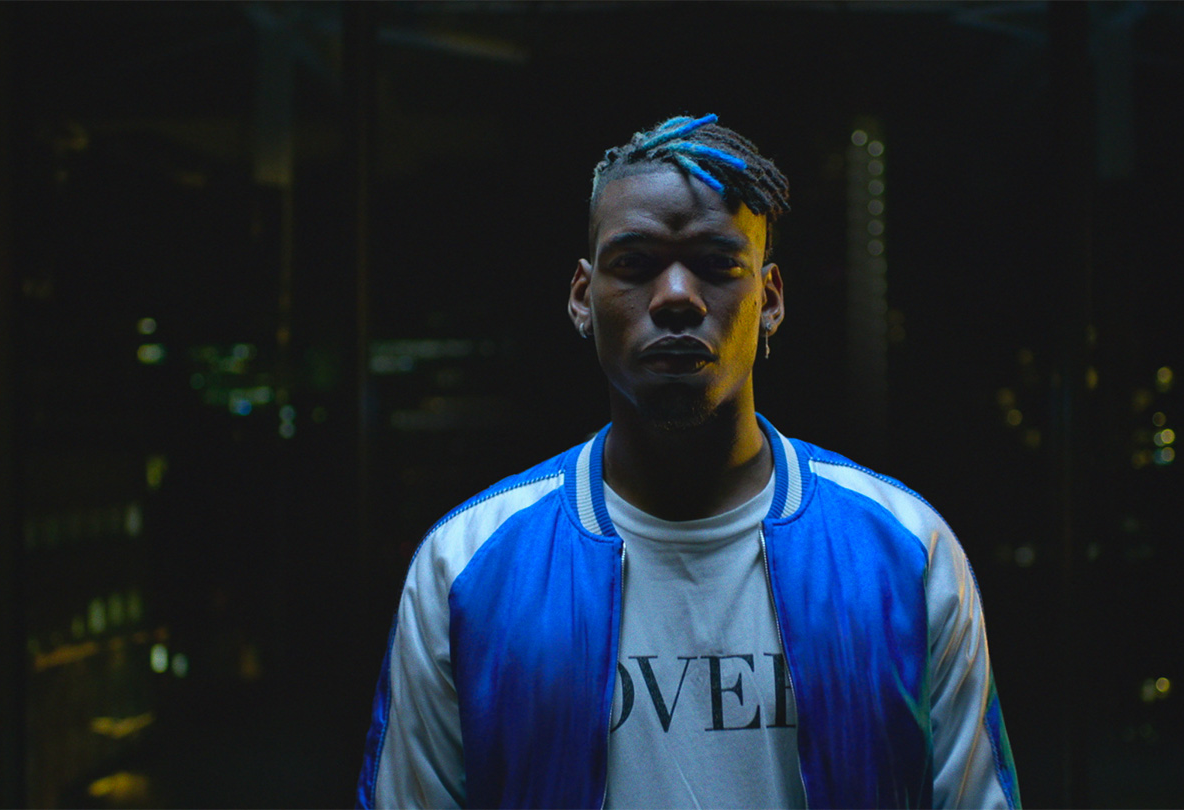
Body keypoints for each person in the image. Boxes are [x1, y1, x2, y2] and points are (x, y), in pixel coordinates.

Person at [357, 114, 1020, 809]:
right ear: (583, 298)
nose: (676, 296)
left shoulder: (906, 552)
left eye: (717, 264)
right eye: (635, 264)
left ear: (770, 299)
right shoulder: (464, 566)